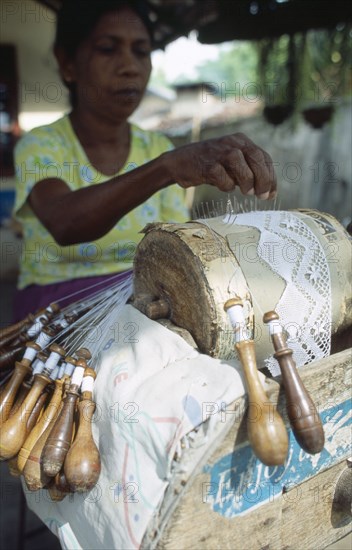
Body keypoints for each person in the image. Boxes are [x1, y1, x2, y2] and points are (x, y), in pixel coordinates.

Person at [13, 0, 276, 320]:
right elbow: (65, 223)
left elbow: (170, 245)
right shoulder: (42, 144)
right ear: (68, 63)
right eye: (108, 49)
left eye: (141, 52)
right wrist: (166, 168)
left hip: (142, 298)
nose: (130, 67)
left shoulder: (155, 145)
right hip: (58, 307)